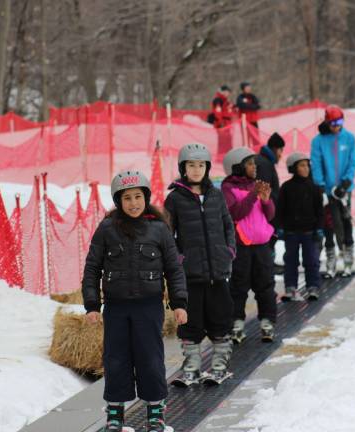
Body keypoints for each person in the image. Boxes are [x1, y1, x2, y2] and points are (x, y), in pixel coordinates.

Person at [82, 170, 188, 432]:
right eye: (127, 198)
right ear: (119, 201)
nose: (133, 203)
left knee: (150, 358)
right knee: (116, 359)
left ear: (146, 197)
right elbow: (92, 268)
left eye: (138, 197)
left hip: (149, 307)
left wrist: (179, 303)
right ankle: (115, 414)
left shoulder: (159, 228)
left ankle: (155, 412)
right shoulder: (107, 228)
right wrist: (92, 305)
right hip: (116, 308)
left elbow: (173, 269)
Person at [164, 143, 236, 384]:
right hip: (190, 274)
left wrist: (229, 250)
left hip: (218, 271)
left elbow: (228, 225)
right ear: (183, 168)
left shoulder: (216, 195)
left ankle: (219, 363)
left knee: (220, 318)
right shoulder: (175, 199)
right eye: (191, 165)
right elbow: (167, 234)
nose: (196, 170)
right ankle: (192, 364)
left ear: (207, 168)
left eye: (201, 165)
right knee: (191, 322)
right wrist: (178, 259)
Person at [221, 148, 277, 343]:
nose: (255, 167)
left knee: (266, 285)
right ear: (238, 167)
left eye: (254, 163)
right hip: (241, 245)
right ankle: (236, 322)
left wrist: (267, 200)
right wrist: (253, 195)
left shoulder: (256, 185)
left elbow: (269, 215)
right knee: (238, 286)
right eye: (250, 163)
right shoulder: (228, 188)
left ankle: (267, 321)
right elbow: (235, 213)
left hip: (262, 244)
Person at [310, 105, 355, 278]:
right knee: (329, 222)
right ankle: (330, 256)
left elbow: (353, 161)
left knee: (346, 220)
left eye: (340, 122)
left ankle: (347, 254)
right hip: (327, 189)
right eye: (333, 123)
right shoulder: (318, 141)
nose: (337, 126)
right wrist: (321, 186)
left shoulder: (349, 138)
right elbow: (315, 164)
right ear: (327, 122)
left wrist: (346, 183)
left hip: (344, 188)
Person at [277, 152, 324, 301]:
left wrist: (319, 228)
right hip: (291, 232)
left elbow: (319, 211)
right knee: (291, 260)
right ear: (293, 168)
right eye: (302, 165)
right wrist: (280, 227)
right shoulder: (286, 187)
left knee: (311, 260)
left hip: (310, 232)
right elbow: (280, 210)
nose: (306, 169)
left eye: (307, 165)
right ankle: (290, 287)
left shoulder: (314, 188)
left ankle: (313, 287)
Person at [255, 132, 286, 273]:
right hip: (266, 210)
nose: (281, 154)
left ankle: (268, 263)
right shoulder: (265, 164)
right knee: (269, 237)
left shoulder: (264, 161)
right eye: (281, 150)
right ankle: (268, 265)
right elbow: (264, 188)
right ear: (275, 148)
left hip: (267, 208)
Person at [210, 84, 234, 161]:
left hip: (227, 123)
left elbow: (229, 110)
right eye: (227, 92)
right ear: (223, 92)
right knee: (223, 141)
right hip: (222, 123)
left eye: (229, 92)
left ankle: (228, 156)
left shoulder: (225, 100)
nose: (228, 94)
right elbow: (218, 112)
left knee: (228, 140)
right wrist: (220, 123)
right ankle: (221, 158)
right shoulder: (218, 100)